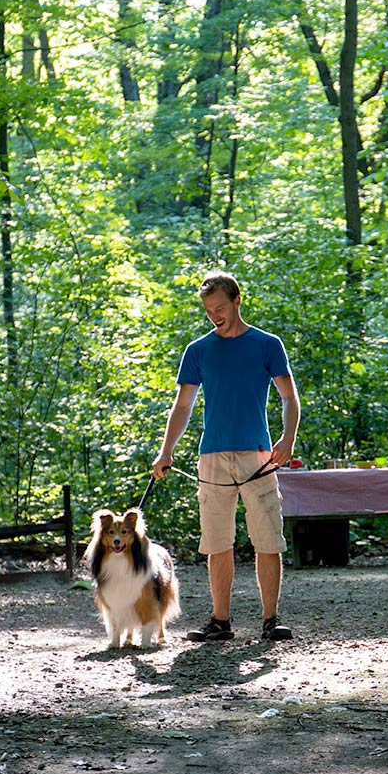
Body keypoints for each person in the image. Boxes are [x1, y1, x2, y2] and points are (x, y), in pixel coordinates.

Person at [152, 270, 300, 642]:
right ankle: (220, 622)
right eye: (207, 310)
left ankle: (270, 620)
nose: (214, 315)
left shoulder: (268, 344)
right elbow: (182, 406)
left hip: (259, 456)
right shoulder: (198, 350)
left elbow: (289, 397)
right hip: (212, 458)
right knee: (217, 543)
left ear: (237, 300)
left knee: (268, 539)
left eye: (219, 307)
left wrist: (288, 438)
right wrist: (165, 451)